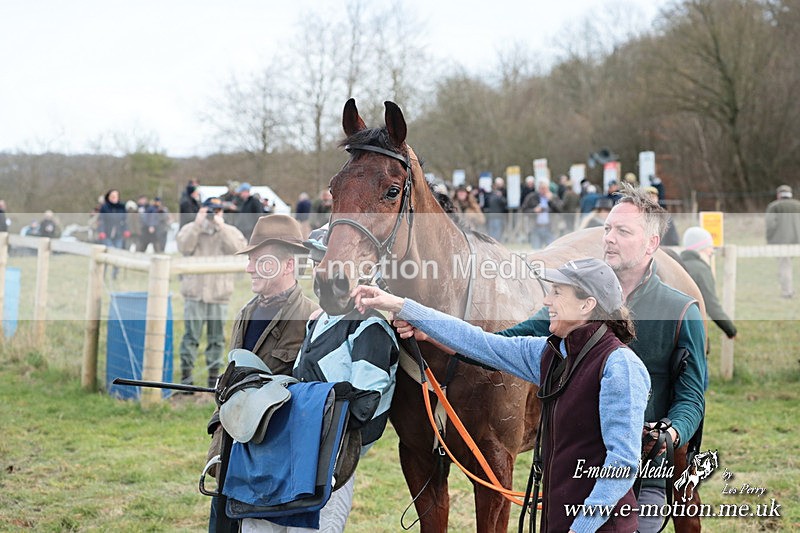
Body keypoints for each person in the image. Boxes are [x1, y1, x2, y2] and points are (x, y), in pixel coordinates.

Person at [352, 258, 650, 533]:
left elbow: (622, 464)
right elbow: (478, 343)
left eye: (558, 293)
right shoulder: (550, 355)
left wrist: (581, 529)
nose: (547, 300)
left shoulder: (620, 367)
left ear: (587, 305)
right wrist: (402, 306)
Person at [499, 187, 707, 532]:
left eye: (622, 231)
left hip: (643, 470)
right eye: (607, 228)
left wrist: (671, 433)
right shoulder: (577, 296)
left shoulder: (682, 312)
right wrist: (433, 333)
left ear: (651, 243)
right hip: (572, 467)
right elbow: (507, 342)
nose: (608, 238)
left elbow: (691, 398)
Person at [240, 226, 399, 533]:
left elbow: (362, 406)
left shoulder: (370, 327)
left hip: (330, 461)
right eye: (315, 263)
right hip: (291, 451)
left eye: (326, 263)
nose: (320, 272)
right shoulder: (321, 319)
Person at [206, 213, 319, 531]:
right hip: (232, 451)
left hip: (274, 462)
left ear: (287, 265)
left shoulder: (311, 318)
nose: (249, 268)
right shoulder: (246, 313)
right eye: (250, 260)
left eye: (260, 261)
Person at [176, 197, 247, 390]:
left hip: (219, 294)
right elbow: (184, 247)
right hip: (194, 293)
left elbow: (238, 250)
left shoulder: (230, 232)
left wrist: (221, 227)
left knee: (216, 339)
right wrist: (197, 224)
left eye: (217, 210)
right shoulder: (190, 229)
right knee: (191, 337)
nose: (212, 214)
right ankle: (186, 378)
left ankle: (212, 379)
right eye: (209, 210)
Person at [680, 227, 737, 340]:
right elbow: (712, 306)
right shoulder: (701, 270)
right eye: (709, 247)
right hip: (693, 333)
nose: (712, 251)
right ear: (701, 248)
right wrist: (730, 330)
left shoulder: (678, 265)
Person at [765, 184, 800, 299]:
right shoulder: (798, 205)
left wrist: (770, 239)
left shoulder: (774, 206)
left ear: (778, 195)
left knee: (784, 266)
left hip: (782, 242)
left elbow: (770, 225)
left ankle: (787, 292)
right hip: (797, 240)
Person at [97, 189, 130, 279]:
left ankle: (114, 275)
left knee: (117, 253)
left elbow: (125, 220)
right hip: (107, 234)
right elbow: (101, 221)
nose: (115, 198)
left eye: (116, 196)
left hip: (118, 234)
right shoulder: (105, 207)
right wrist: (101, 231)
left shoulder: (122, 207)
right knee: (108, 253)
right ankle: (102, 274)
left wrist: (126, 230)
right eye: (113, 196)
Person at [482, 177, 507, 242]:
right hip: (492, 216)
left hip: (498, 216)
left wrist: (500, 196)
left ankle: (495, 243)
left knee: (497, 231)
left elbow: (504, 203)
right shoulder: (490, 194)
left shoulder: (503, 192)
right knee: (492, 232)